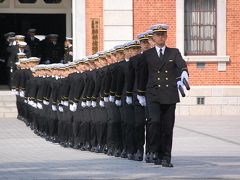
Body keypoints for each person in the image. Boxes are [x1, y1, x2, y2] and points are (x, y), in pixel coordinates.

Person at [137, 24, 189, 167]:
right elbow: (142, 75)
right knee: (154, 122)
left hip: (169, 94)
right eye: (158, 35)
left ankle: (165, 157)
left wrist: (184, 73)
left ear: (166, 36)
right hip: (153, 94)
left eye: (163, 34)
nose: (160, 37)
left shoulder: (174, 52)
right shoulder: (147, 55)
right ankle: (153, 150)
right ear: (153, 37)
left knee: (167, 127)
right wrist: (140, 93)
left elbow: (181, 65)